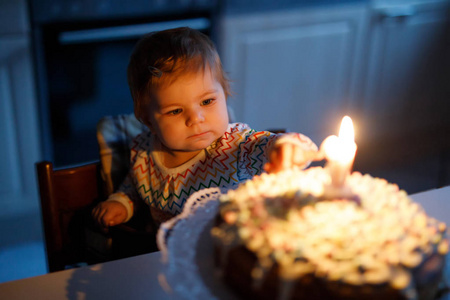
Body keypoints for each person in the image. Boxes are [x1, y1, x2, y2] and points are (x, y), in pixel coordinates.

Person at [92, 27, 318, 232]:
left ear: (224, 94)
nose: (196, 119)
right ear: (148, 121)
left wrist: (286, 147)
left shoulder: (235, 146)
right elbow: (135, 184)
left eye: (207, 102)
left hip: (231, 251)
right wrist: (122, 201)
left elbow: (264, 144)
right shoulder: (144, 152)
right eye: (175, 111)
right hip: (165, 258)